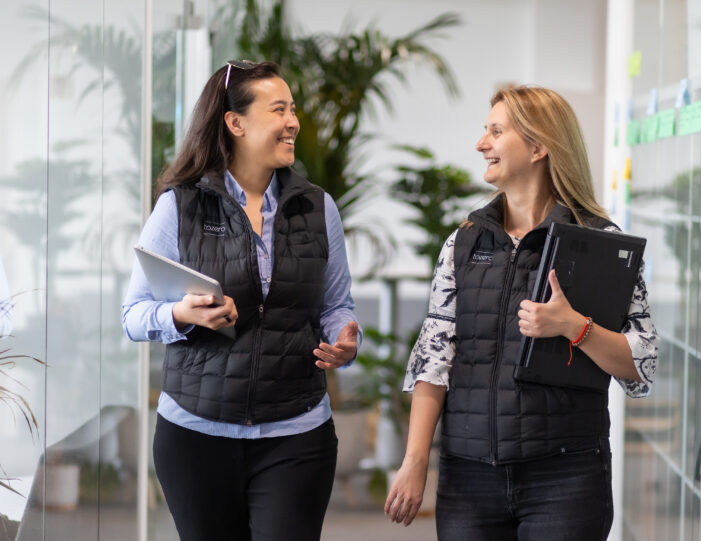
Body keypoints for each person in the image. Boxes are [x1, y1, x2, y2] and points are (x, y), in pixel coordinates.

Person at [384, 85, 658, 540]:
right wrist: (415, 461)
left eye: (495, 131)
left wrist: (575, 327)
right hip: (469, 478)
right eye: (484, 131)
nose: (481, 144)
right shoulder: (464, 243)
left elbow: (641, 363)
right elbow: (434, 358)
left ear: (538, 146)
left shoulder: (601, 244)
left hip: (566, 479)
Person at [122, 60, 361, 541]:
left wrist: (344, 336)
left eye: (292, 109)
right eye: (279, 109)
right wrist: (181, 315)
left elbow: (338, 304)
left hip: (296, 432)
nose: (293, 121)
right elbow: (133, 314)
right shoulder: (180, 206)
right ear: (236, 122)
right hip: (194, 435)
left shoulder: (318, 208)